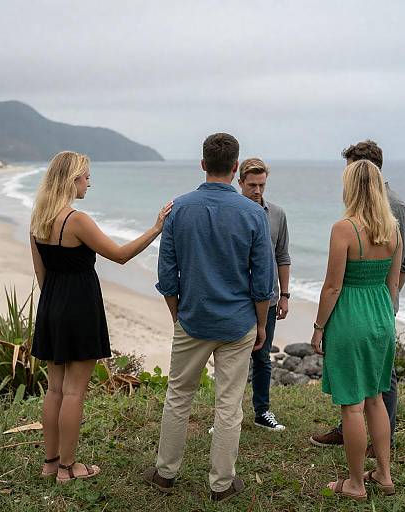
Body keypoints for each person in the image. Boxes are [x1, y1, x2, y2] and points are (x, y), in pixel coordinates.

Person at [142, 133, 274, 502]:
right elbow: (263, 282)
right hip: (237, 323)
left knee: (178, 396)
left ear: (202, 164)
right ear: (235, 169)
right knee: (228, 403)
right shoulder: (253, 213)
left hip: (193, 318)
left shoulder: (178, 209)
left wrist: (177, 315)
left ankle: (165, 472)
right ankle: (221, 483)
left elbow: (167, 273)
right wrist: (261, 325)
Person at [30, 151, 172, 484]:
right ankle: (68, 468)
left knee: (55, 390)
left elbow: (41, 272)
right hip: (79, 307)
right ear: (72, 180)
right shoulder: (76, 220)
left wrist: (55, 304)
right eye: (86, 177)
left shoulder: (38, 218)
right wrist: (156, 228)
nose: (89, 183)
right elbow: (120, 256)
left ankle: (50, 464)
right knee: (74, 392)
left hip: (51, 305)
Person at [309, 140, 405, 454]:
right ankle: (383, 472)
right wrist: (382, 307)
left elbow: (333, 286)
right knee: (375, 397)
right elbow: (393, 280)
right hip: (379, 309)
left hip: (355, 313)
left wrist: (318, 327)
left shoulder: (348, 226)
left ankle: (357, 480)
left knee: (355, 402)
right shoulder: (390, 224)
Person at [238, 158, 291, 431]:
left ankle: (262, 412)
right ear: (240, 183)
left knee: (262, 357)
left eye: (261, 185)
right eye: (252, 185)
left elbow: (282, 256)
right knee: (231, 358)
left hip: (268, 299)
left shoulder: (277, 214)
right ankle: (227, 415)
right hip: (236, 298)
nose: (257, 191)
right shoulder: (233, 212)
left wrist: (285, 295)